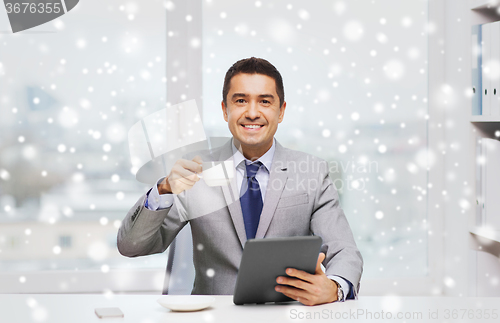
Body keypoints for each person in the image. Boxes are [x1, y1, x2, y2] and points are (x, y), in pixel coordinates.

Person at [118, 57, 363, 306]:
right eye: (241, 101)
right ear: (225, 110)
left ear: (281, 111)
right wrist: (164, 189)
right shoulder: (196, 170)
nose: (253, 113)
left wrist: (335, 288)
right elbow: (132, 245)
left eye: (265, 101)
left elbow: (344, 250)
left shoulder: (312, 172)